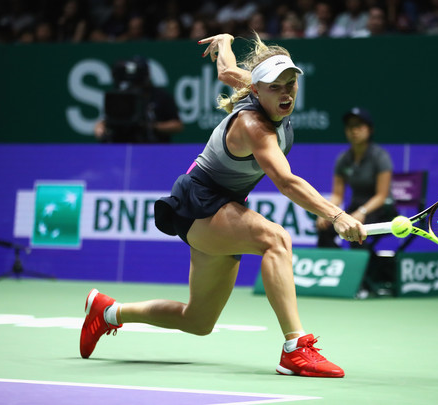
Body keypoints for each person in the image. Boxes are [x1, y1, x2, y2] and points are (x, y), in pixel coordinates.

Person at [80, 33, 367, 378]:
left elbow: (228, 71)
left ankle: (108, 312)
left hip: (222, 209)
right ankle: (296, 348)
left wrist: (225, 43)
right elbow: (286, 182)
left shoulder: (259, 90)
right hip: (200, 202)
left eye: (291, 83)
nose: (286, 92)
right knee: (276, 239)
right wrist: (336, 214)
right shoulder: (252, 125)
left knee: (198, 321)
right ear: (258, 90)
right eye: (276, 86)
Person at [316, 106, 397, 250]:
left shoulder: (380, 157)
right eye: (350, 126)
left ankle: (364, 271)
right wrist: (326, 213)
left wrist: (362, 212)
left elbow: (381, 196)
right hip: (355, 209)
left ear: (369, 129)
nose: (354, 130)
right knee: (324, 227)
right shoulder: (343, 159)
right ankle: (338, 266)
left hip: (380, 211)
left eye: (359, 125)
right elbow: (337, 195)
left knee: (355, 229)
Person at [93, 56, 183, 143]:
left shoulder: (161, 96)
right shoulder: (121, 96)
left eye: (138, 83)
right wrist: (100, 128)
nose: (135, 87)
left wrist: (152, 126)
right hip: (121, 144)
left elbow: (177, 126)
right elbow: (106, 121)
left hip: (153, 146)